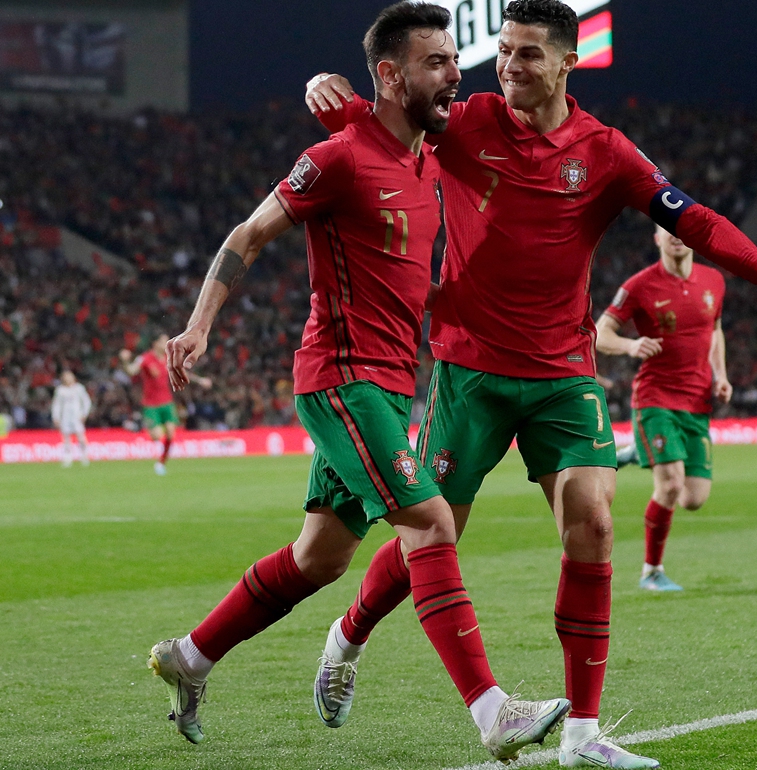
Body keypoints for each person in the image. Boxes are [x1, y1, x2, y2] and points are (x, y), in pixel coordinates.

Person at [304, 2, 757, 766]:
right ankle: (350, 634)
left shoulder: (604, 152)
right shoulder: (465, 121)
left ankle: (583, 734)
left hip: (561, 372)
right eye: (504, 51)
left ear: (567, 64)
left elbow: (695, 219)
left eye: (528, 55)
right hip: (469, 369)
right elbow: (381, 124)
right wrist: (330, 91)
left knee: (595, 522)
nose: (509, 65)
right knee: (432, 534)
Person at [148, 4, 567, 761]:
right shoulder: (336, 159)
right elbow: (248, 235)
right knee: (432, 524)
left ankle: (191, 657)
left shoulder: (426, 157)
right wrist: (199, 324)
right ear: (391, 73)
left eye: (452, 60)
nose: (454, 75)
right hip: (341, 379)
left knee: (323, 556)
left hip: (386, 383)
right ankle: (492, 711)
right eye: (437, 62)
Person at [597, 226, 729, 592]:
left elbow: (715, 331)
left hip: (698, 401)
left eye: (684, 229)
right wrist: (630, 345)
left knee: (693, 499)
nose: (676, 235)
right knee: (669, 485)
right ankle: (651, 572)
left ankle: (639, 450)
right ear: (655, 238)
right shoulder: (639, 285)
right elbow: (600, 332)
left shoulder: (714, 281)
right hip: (656, 398)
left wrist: (720, 374)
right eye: (666, 229)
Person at [120, 335, 211, 475]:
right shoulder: (145, 358)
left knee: (170, 435)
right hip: (150, 405)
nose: (167, 344)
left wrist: (200, 381)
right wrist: (125, 361)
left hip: (167, 402)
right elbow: (131, 371)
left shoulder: (168, 359)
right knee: (156, 436)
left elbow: (182, 372)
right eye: (163, 341)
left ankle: (161, 462)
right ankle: (149, 426)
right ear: (155, 343)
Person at [51, 369, 92, 467]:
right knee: (66, 438)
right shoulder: (60, 390)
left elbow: (86, 402)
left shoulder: (79, 388)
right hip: (65, 417)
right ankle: (67, 457)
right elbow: (56, 405)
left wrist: (84, 414)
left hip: (77, 416)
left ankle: (84, 456)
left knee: (80, 437)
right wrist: (56, 417)